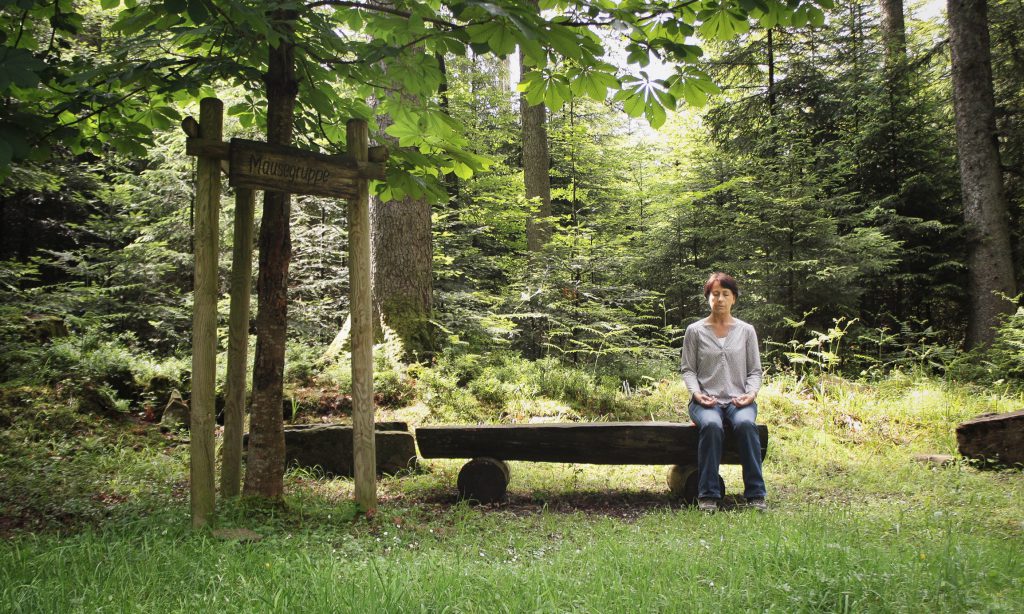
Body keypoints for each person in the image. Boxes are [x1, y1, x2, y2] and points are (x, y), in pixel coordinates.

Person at [680, 272, 767, 512]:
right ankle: (708, 495)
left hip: (740, 401)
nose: (719, 299)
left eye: (725, 294)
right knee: (711, 426)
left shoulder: (746, 331)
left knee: (747, 426)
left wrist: (751, 394)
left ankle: (756, 494)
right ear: (708, 298)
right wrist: (697, 394)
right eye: (714, 294)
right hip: (705, 401)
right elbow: (688, 370)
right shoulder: (695, 331)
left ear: (734, 299)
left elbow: (755, 371)